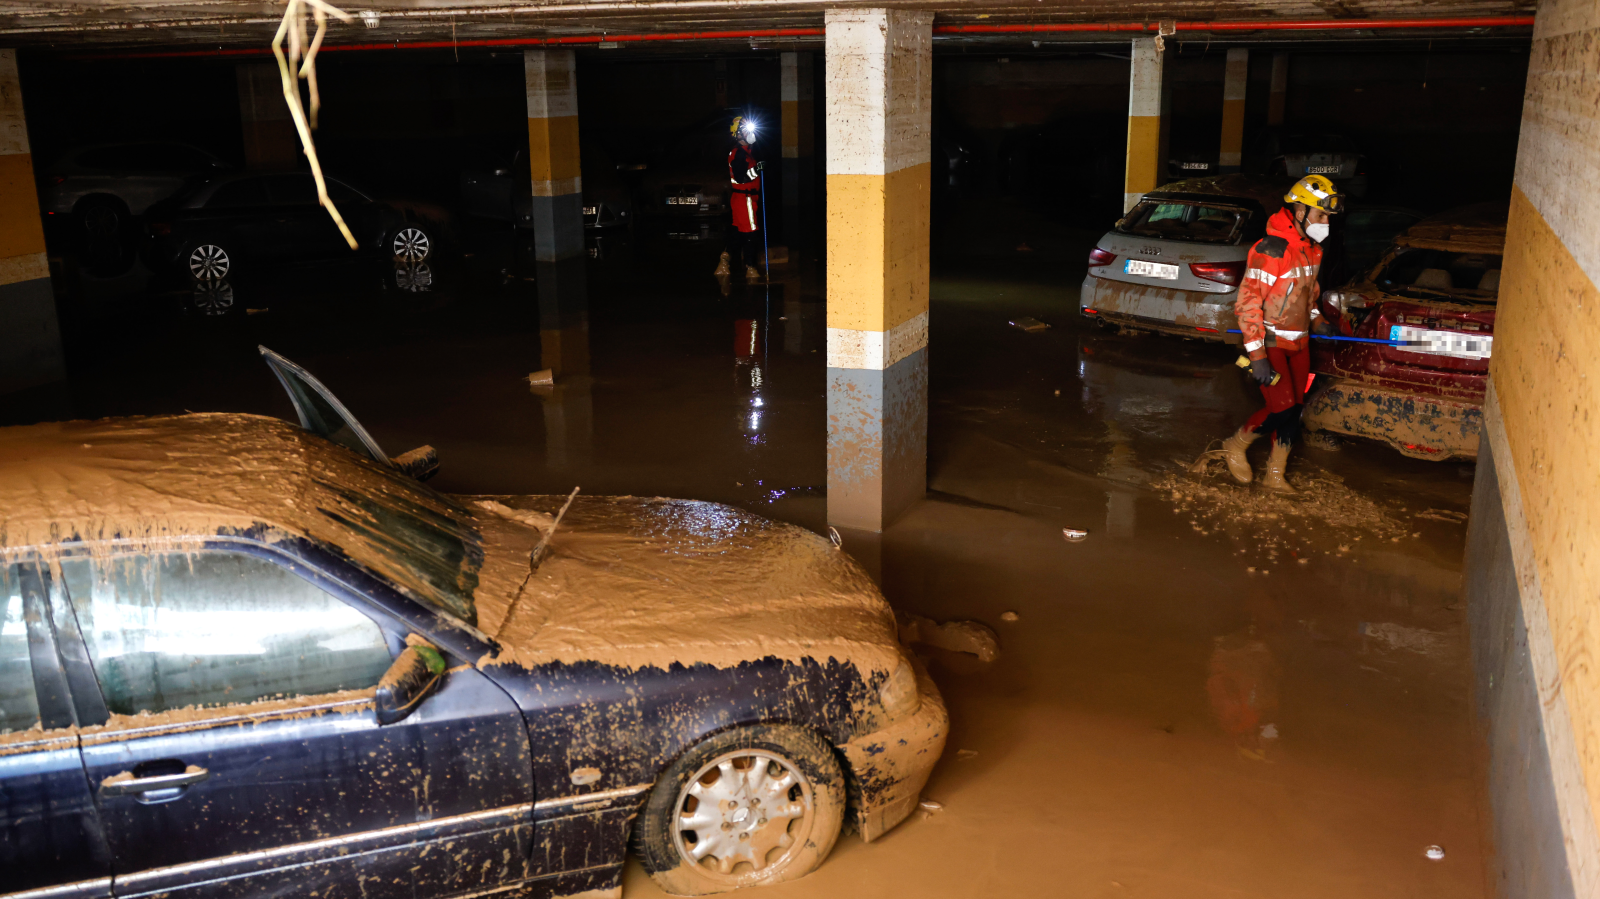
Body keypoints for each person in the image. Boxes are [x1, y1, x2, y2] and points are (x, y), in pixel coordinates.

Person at [1214, 174, 1344, 493]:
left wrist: (1317, 321)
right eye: (1321, 215)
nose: (1326, 222)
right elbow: (1247, 304)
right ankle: (1236, 443)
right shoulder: (1271, 249)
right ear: (1300, 212)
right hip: (1270, 343)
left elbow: (1307, 295)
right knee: (1282, 408)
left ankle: (1276, 473)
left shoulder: (1312, 250)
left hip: (1298, 343)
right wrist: (1257, 356)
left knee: (1295, 412)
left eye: (1328, 216)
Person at [714, 115, 763, 281]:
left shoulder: (745, 152)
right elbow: (741, 177)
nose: (749, 133)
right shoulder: (738, 153)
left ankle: (724, 262)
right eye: (745, 130)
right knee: (750, 234)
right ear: (738, 134)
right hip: (745, 199)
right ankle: (750, 268)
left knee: (737, 233)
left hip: (744, 199)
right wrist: (757, 170)